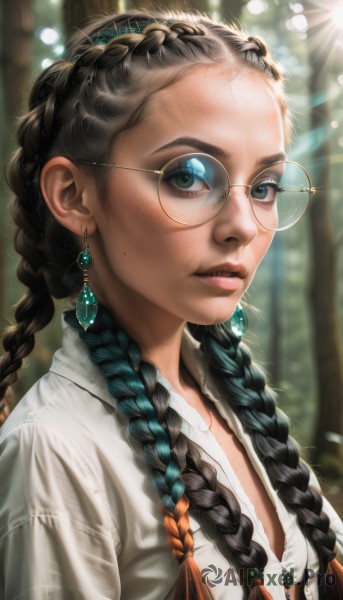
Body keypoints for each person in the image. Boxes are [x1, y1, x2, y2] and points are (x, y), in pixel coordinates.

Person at [0, 8, 342, 600]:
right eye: (188, 175)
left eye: (264, 187)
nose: (241, 225)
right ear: (74, 195)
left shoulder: (235, 400)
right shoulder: (54, 453)